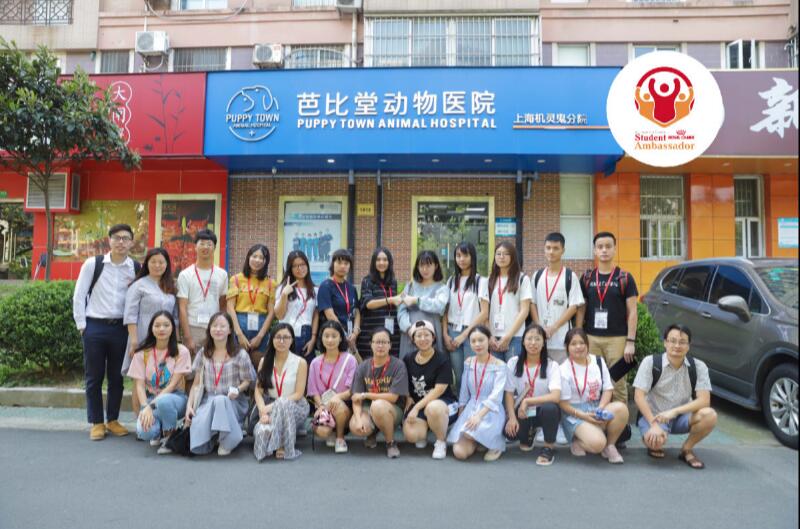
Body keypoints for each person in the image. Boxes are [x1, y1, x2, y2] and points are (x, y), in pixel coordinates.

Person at [72, 223, 140, 441]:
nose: (121, 242)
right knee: (94, 377)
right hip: (95, 326)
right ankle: (96, 422)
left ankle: (112, 419)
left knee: (117, 377)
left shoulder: (135, 267)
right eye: (117, 238)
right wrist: (82, 326)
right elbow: (79, 295)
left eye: (125, 238)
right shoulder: (94, 264)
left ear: (131, 242)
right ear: (109, 240)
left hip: (121, 328)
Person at [634, 324, 717, 469]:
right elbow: (638, 396)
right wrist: (654, 424)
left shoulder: (699, 366)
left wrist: (674, 412)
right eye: (672, 341)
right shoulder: (650, 362)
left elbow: (704, 400)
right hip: (655, 416)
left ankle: (686, 449)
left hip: (682, 417)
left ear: (688, 346)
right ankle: (655, 437)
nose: (677, 345)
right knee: (655, 442)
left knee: (710, 415)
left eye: (682, 342)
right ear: (665, 342)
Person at [576, 231, 638, 405]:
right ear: (595, 250)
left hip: (617, 339)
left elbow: (633, 312)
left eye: (608, 246)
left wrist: (630, 342)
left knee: (618, 384)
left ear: (614, 249)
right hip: (591, 338)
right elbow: (581, 308)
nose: (604, 250)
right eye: (600, 247)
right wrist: (579, 335)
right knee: (593, 382)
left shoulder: (624, 278)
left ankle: (620, 419)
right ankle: (594, 416)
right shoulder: (587, 277)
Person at [185, 312, 253, 456]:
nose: (218, 329)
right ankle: (216, 435)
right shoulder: (204, 353)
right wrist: (189, 407)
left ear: (230, 330)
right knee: (199, 445)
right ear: (209, 329)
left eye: (222, 326)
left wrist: (238, 389)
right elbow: (196, 384)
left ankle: (228, 441)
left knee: (221, 400)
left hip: (232, 401)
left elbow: (247, 380)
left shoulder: (240, 354)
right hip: (208, 400)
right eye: (214, 326)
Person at [558, 328, 629, 464]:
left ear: (587, 344)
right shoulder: (563, 369)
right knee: (597, 444)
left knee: (621, 408)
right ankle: (578, 442)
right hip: (575, 413)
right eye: (573, 344)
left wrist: (600, 408)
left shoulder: (598, 361)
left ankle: (610, 446)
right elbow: (562, 403)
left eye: (582, 343)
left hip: (596, 407)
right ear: (567, 347)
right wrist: (584, 416)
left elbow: (608, 389)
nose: (578, 347)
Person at [127, 311, 191, 454]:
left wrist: (151, 406)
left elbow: (172, 385)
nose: (161, 329)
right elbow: (140, 385)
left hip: (175, 399)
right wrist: (145, 407)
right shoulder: (142, 353)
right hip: (151, 399)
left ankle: (170, 437)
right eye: (157, 325)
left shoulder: (181, 351)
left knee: (164, 401)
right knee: (144, 432)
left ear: (173, 328)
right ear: (151, 328)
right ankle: (158, 433)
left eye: (166, 325)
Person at [122, 247, 177, 415]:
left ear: (167, 264)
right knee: (140, 379)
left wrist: (175, 341)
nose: (157, 265)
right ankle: (139, 419)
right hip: (142, 337)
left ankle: (156, 418)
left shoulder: (170, 286)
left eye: (161, 262)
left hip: (164, 340)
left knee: (161, 377)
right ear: (147, 264)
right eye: (153, 262)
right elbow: (130, 315)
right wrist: (134, 341)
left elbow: (174, 317)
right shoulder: (138, 285)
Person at [503, 324, 561, 465]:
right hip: (524, 412)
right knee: (510, 434)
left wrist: (528, 401)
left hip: (542, 411)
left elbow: (555, 396)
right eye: (529, 339)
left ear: (544, 343)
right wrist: (512, 418)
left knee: (550, 408)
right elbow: (509, 393)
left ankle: (548, 447)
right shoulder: (513, 363)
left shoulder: (552, 365)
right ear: (523, 341)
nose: (533, 343)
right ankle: (529, 434)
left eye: (537, 339)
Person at [448, 325, 507, 462]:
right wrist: (461, 415)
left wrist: (479, 416)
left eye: (481, 340)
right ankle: (479, 441)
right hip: (471, 407)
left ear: (489, 340)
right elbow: (464, 392)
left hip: (490, 410)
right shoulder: (469, 362)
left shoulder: (500, 365)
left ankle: (494, 444)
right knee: (459, 452)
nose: (477, 344)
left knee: (469, 433)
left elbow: (496, 397)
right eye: (473, 341)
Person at [253, 323, 310, 461]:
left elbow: (299, 394)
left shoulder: (300, 362)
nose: (282, 341)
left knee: (283, 403)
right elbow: (258, 391)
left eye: (286, 337)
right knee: (262, 431)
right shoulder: (264, 361)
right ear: (272, 339)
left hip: (295, 405)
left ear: (292, 340)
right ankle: (274, 441)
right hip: (269, 405)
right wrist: (262, 410)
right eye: (278, 337)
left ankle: (283, 445)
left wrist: (271, 407)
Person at [349, 327, 409, 458]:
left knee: (378, 406)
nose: (380, 346)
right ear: (371, 344)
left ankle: (390, 442)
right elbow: (356, 398)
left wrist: (366, 395)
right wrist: (358, 419)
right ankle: (372, 432)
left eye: (384, 342)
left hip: (392, 409)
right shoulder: (363, 366)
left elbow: (393, 398)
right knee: (355, 426)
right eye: (377, 342)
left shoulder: (398, 365)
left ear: (390, 345)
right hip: (369, 408)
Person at [402, 320, 458, 460]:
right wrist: (408, 397)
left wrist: (416, 408)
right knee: (412, 435)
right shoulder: (408, 358)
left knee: (433, 408)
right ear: (413, 339)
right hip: (420, 404)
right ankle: (427, 428)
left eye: (427, 335)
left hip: (442, 403)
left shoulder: (442, 359)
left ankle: (441, 440)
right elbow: (404, 381)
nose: (423, 339)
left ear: (433, 337)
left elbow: (439, 390)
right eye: (418, 335)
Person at [530, 232, 584, 364]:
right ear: (544, 249)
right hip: (539, 342)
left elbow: (574, 306)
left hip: (562, 341)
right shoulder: (537, 276)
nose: (551, 252)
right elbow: (532, 303)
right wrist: (539, 328)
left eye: (555, 248)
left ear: (563, 250)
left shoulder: (570, 276)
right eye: (548, 248)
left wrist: (553, 328)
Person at [442, 242, 489, 390]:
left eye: (465, 255)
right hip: (452, 333)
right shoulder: (451, 281)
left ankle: (474, 402)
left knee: (472, 374)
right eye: (458, 256)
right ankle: (460, 402)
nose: (461, 259)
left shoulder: (480, 281)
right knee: (458, 375)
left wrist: (464, 335)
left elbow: (484, 312)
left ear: (472, 257)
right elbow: (445, 311)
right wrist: (445, 334)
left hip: (472, 333)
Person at [307, 320, 358, 453]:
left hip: (344, 405)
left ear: (341, 338)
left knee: (338, 405)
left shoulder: (349, 360)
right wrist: (321, 406)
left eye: (334, 336)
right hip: (323, 405)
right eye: (326, 336)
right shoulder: (315, 363)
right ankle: (331, 431)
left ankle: (340, 437)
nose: (330, 340)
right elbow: (313, 391)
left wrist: (337, 397)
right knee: (322, 432)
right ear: (321, 338)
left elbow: (352, 390)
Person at [177, 229, 228, 358]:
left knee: (214, 365)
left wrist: (223, 328)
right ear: (195, 247)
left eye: (209, 244)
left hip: (215, 328)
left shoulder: (222, 274)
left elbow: (223, 305)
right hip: (192, 327)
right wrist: (187, 337)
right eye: (202, 243)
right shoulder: (185, 274)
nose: (205, 247)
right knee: (191, 367)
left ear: (214, 248)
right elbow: (182, 307)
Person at [226, 244, 276, 367]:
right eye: (254, 256)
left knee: (259, 365)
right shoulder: (236, 279)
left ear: (266, 261)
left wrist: (260, 336)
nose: (257, 260)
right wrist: (239, 334)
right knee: (237, 364)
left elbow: (271, 312)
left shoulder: (271, 283)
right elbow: (230, 307)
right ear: (248, 257)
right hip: (239, 325)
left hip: (261, 326)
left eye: (261, 258)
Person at [397, 250, 449, 358]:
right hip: (410, 334)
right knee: (408, 363)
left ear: (436, 266)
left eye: (428, 265)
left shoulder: (442, 288)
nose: (425, 269)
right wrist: (409, 329)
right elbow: (401, 311)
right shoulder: (410, 286)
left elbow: (439, 306)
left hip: (431, 334)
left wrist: (417, 300)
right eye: (421, 266)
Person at [487, 242, 531, 362]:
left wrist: (508, 336)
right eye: (498, 254)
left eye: (506, 254)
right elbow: (485, 311)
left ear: (513, 257)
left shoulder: (522, 279)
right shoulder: (490, 280)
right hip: (494, 338)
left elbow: (525, 310)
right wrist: (489, 335)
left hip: (515, 336)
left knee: (513, 372)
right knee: (496, 373)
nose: (501, 257)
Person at [274, 250, 319, 364]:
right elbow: (279, 315)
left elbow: (315, 315)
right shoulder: (282, 288)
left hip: (307, 334)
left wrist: (313, 338)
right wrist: (284, 295)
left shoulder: (315, 290)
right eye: (295, 266)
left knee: (305, 368)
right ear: (290, 269)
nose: (299, 269)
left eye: (302, 264)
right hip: (287, 333)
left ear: (307, 266)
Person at [357, 247, 403, 359]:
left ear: (389, 262)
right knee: (370, 364)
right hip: (371, 331)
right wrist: (390, 300)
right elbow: (368, 304)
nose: (381, 263)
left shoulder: (393, 281)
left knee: (390, 363)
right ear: (373, 262)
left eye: (385, 259)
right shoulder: (367, 281)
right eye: (378, 260)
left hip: (391, 332)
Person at [317, 249, 360, 354]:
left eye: (346, 263)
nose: (343, 266)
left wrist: (355, 332)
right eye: (339, 262)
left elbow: (357, 311)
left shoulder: (351, 288)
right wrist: (344, 334)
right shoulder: (326, 286)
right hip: (333, 336)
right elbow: (329, 314)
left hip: (351, 337)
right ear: (333, 264)